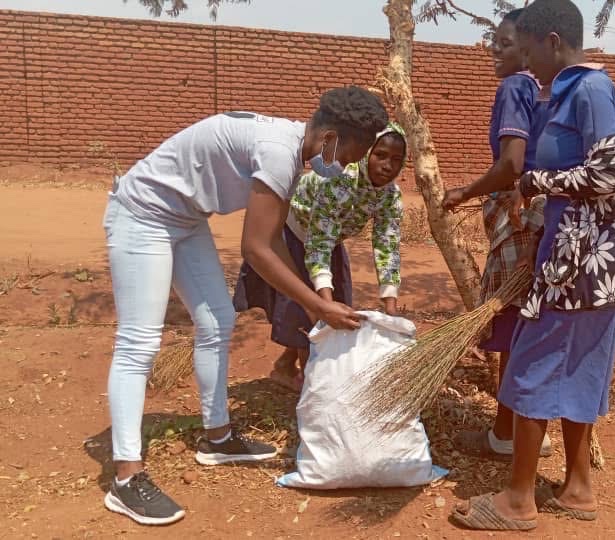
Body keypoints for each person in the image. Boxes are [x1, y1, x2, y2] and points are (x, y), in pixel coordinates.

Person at [101, 86, 388, 525]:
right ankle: (126, 476)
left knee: (216, 320)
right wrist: (316, 304)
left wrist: (314, 301)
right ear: (330, 135)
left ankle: (217, 438)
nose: (349, 164)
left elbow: (275, 239)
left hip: (186, 218)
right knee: (139, 342)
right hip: (142, 214)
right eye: (352, 152)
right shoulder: (278, 153)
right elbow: (255, 248)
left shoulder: (293, 154)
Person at [450, 0, 615, 531]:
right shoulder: (571, 92)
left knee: (533, 361)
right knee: (576, 363)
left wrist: (535, 183)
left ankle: (518, 499)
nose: (526, 62)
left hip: (580, 258)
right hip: (580, 252)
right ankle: (577, 488)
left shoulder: (591, 90)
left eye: (529, 50)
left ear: (553, 42)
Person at [442, 8, 552, 459]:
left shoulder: (514, 88)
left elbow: (511, 164)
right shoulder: (546, 91)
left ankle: (507, 435)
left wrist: (464, 192)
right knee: (529, 324)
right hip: (540, 213)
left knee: (511, 324)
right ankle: (525, 431)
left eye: (504, 44)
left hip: (519, 216)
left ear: (526, 49)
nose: (494, 49)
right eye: (493, 41)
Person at [234, 122, 408, 391]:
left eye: (396, 160)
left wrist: (391, 305)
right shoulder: (337, 180)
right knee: (309, 312)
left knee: (336, 305)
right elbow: (318, 243)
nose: (387, 165)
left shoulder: (390, 196)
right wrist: (322, 307)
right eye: (380, 155)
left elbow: (387, 244)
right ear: (366, 153)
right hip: (296, 235)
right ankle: (312, 382)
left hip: (330, 240)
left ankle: (284, 366)